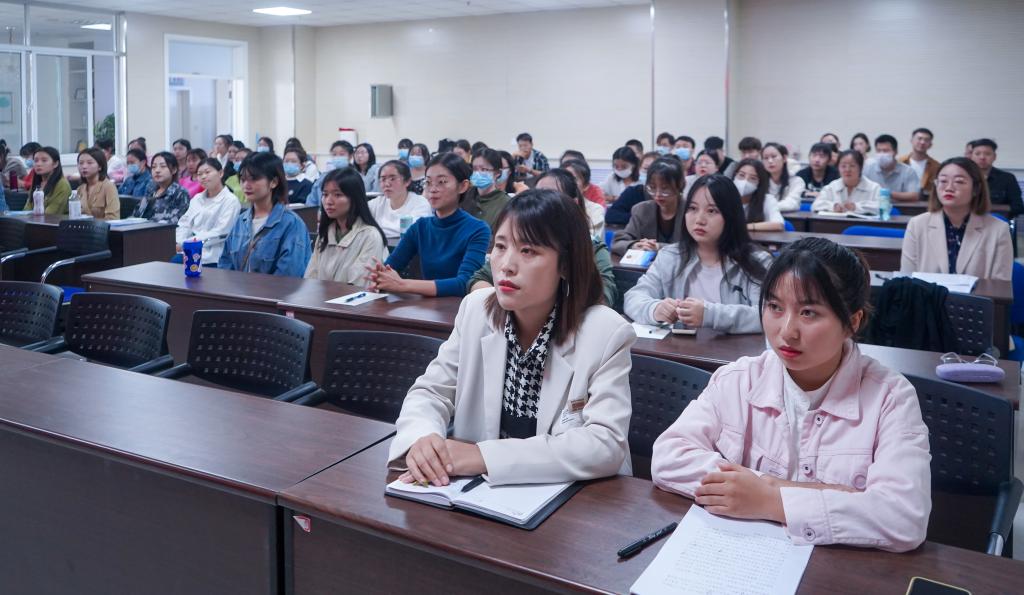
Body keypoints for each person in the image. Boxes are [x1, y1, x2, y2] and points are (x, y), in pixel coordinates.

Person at [651, 237, 931, 553]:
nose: (786, 331)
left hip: (836, 567)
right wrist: (794, 491)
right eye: (774, 307)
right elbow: (668, 457)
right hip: (742, 554)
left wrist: (770, 498)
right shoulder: (739, 379)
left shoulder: (890, 397)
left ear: (852, 322)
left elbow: (904, 517)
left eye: (808, 312)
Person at [388, 188, 634, 486]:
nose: (506, 265)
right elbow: (430, 392)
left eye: (527, 251)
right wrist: (423, 438)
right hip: (476, 494)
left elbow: (605, 444)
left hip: (575, 498)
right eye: (501, 246)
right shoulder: (476, 310)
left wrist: (484, 457)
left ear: (565, 264)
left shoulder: (605, 332)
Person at [624, 174, 771, 333]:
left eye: (711, 211)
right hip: (680, 347)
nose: (699, 219)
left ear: (731, 215)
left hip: (733, 349)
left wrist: (710, 315)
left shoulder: (757, 261)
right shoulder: (671, 256)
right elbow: (633, 297)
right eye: (693, 208)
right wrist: (655, 309)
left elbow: (768, 314)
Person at [469, 170, 618, 307]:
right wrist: (506, 300)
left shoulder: (591, 246)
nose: (540, 202)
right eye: (537, 194)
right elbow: (478, 279)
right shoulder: (513, 239)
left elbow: (604, 296)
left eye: (528, 251)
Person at [367, 152, 491, 297]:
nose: (432, 189)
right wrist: (381, 277)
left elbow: (465, 283)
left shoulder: (478, 229)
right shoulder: (420, 227)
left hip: (460, 306)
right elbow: (392, 266)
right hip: (427, 306)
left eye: (442, 182)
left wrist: (402, 284)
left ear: (463, 186)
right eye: (428, 182)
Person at [901, 157, 1012, 282]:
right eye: (943, 181)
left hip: (977, 295)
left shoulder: (998, 229)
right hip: (927, 295)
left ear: (976, 188)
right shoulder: (917, 224)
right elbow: (907, 278)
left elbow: (1000, 285)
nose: (949, 187)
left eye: (959, 182)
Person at [218, 152, 311, 276]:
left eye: (253, 179)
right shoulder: (241, 221)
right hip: (238, 288)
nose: (246, 185)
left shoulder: (291, 224)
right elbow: (225, 262)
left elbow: (289, 274)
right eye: (243, 179)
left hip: (274, 289)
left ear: (273, 182)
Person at [305, 167, 388, 285]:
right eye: (325, 194)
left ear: (354, 198)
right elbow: (310, 277)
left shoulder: (370, 236)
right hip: (320, 296)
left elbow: (359, 286)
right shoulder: (325, 234)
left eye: (337, 195)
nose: (328, 201)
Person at [611, 158, 686, 256]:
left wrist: (659, 247)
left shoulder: (691, 211)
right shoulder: (641, 210)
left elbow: (696, 247)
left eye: (665, 189)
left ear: (680, 186)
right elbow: (618, 242)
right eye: (652, 188)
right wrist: (634, 245)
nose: (658, 194)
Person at [175, 157, 241, 266]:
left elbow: (220, 232)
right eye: (199, 174)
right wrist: (179, 241)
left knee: (175, 263)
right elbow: (184, 223)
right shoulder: (197, 198)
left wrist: (186, 243)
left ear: (220, 173)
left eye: (207, 172)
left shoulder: (230, 200)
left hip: (213, 255)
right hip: (188, 249)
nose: (203, 177)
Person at [368, 159, 431, 242]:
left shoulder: (421, 203)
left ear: (407, 181)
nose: (387, 184)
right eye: (383, 179)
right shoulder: (377, 203)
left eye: (392, 179)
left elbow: (411, 231)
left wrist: (375, 231)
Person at [812, 150, 880, 214]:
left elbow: (881, 207)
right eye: (843, 166)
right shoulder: (832, 187)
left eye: (852, 166)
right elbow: (815, 205)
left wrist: (855, 207)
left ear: (861, 168)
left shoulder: (874, 188)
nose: (847, 170)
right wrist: (834, 206)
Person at [969, 138, 1023, 217]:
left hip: (998, 220)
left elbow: (1018, 207)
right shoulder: (964, 177)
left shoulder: (1007, 178)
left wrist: (990, 207)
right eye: (977, 154)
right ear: (971, 156)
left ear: (994, 157)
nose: (982, 157)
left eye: (987, 154)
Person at [461, 148, 512, 228]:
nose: (478, 173)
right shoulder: (465, 196)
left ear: (497, 173)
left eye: (484, 169)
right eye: (475, 169)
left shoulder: (507, 203)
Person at [605, 151, 660, 226]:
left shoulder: (669, 195)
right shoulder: (633, 192)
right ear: (639, 169)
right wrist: (638, 218)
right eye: (646, 169)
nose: (649, 173)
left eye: (654, 169)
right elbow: (611, 216)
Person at [134, 151, 190, 224]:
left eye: (163, 166)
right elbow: (137, 214)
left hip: (163, 230)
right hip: (141, 228)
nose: (157, 170)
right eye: (154, 167)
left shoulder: (180, 193)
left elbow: (178, 220)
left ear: (174, 170)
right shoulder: (150, 190)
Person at [862, 134, 920, 202]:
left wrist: (887, 193)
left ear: (895, 152)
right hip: (872, 207)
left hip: (899, 207)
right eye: (878, 151)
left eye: (886, 151)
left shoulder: (908, 171)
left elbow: (914, 196)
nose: (881, 154)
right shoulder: (868, 168)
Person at [732, 159, 784, 231]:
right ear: (735, 175)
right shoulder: (724, 196)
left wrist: (743, 227)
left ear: (759, 183)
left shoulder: (767, 200)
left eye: (753, 178)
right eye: (741, 175)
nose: (745, 181)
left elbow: (779, 225)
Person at [561, 160, 606, 237]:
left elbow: (593, 241)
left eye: (572, 179)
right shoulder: (550, 206)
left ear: (586, 186)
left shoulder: (595, 210)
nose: (565, 183)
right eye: (562, 179)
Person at [76, 148, 120, 220]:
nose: (84, 167)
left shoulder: (108, 187)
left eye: (89, 163)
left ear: (100, 166)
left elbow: (113, 218)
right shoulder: (80, 189)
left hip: (103, 227)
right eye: (81, 163)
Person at [307, 140, 354, 206]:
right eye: (334, 154)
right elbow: (312, 200)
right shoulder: (323, 177)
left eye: (342, 154)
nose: (337, 157)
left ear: (350, 156)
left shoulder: (354, 176)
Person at [25, 147, 70, 215]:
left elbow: (51, 214)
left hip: (53, 221)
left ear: (55, 164)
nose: (38, 164)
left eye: (44, 160)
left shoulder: (62, 184)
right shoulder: (37, 184)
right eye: (36, 161)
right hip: (33, 220)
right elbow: (26, 210)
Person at [762, 142, 805, 211]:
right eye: (766, 158)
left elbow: (792, 203)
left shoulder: (796, 181)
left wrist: (767, 207)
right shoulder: (760, 181)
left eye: (774, 156)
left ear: (784, 158)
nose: (770, 161)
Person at [898, 128, 940, 199]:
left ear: (930, 144)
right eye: (919, 138)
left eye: (926, 140)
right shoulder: (900, 162)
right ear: (911, 141)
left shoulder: (936, 166)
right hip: (901, 201)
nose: (922, 142)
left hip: (926, 203)